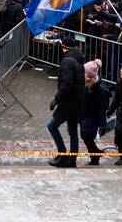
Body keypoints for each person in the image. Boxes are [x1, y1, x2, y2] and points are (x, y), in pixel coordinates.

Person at [47, 35, 85, 168]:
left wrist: (56, 99)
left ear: (63, 47)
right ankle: (72, 159)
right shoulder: (78, 59)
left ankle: (63, 155)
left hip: (68, 103)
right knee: (73, 130)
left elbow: (67, 84)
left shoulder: (68, 61)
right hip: (77, 101)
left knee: (52, 126)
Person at [79, 59, 108, 165]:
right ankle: (96, 153)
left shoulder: (98, 89)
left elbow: (101, 107)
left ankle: (95, 158)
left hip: (93, 117)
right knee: (83, 136)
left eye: (85, 72)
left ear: (90, 74)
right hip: (84, 115)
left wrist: (102, 124)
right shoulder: (85, 83)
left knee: (87, 137)